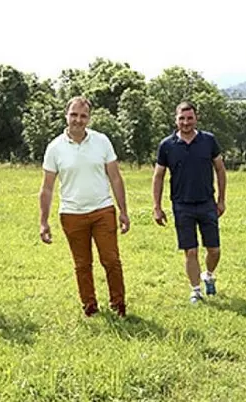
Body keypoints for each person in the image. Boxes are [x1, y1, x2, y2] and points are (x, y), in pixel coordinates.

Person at [39, 96, 130, 317]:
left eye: (83, 116)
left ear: (89, 118)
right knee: (82, 264)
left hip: (103, 210)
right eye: (74, 115)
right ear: (66, 115)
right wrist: (43, 221)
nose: (78, 120)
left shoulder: (102, 141)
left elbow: (115, 178)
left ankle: (118, 304)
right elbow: (48, 187)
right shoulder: (55, 148)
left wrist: (123, 211)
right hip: (72, 214)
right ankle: (89, 306)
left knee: (111, 260)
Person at [152, 101, 227, 304]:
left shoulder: (208, 141)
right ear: (175, 119)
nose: (186, 122)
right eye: (182, 118)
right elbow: (158, 176)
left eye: (189, 118)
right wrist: (157, 207)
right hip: (181, 205)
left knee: (214, 249)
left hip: (207, 203)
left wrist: (221, 200)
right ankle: (195, 290)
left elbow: (220, 169)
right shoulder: (167, 145)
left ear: (196, 118)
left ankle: (209, 275)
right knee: (190, 250)